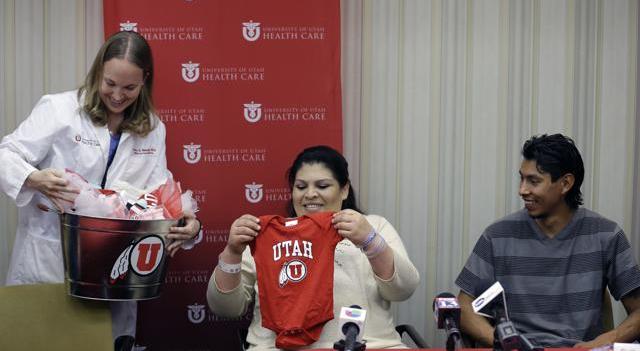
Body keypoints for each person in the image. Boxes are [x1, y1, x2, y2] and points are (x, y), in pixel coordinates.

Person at [0, 31, 200, 349]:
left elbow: (157, 196)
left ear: (145, 81)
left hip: (115, 275)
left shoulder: (152, 129)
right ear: (98, 73)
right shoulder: (60, 110)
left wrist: (187, 222)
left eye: (129, 87)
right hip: (49, 264)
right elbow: (6, 154)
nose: (118, 95)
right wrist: (32, 178)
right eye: (110, 83)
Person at [207, 145, 420, 350]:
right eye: (301, 187)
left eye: (322, 186)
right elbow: (225, 307)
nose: (310, 194)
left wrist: (371, 241)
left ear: (344, 189)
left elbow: (403, 289)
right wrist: (232, 252)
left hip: (370, 346)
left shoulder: (373, 226)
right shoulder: (266, 235)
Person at [455, 134, 640, 348]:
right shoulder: (497, 235)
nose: (522, 190)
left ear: (565, 183)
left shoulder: (606, 235)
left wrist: (608, 339)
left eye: (533, 181)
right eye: (522, 178)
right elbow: (464, 306)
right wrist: (503, 342)